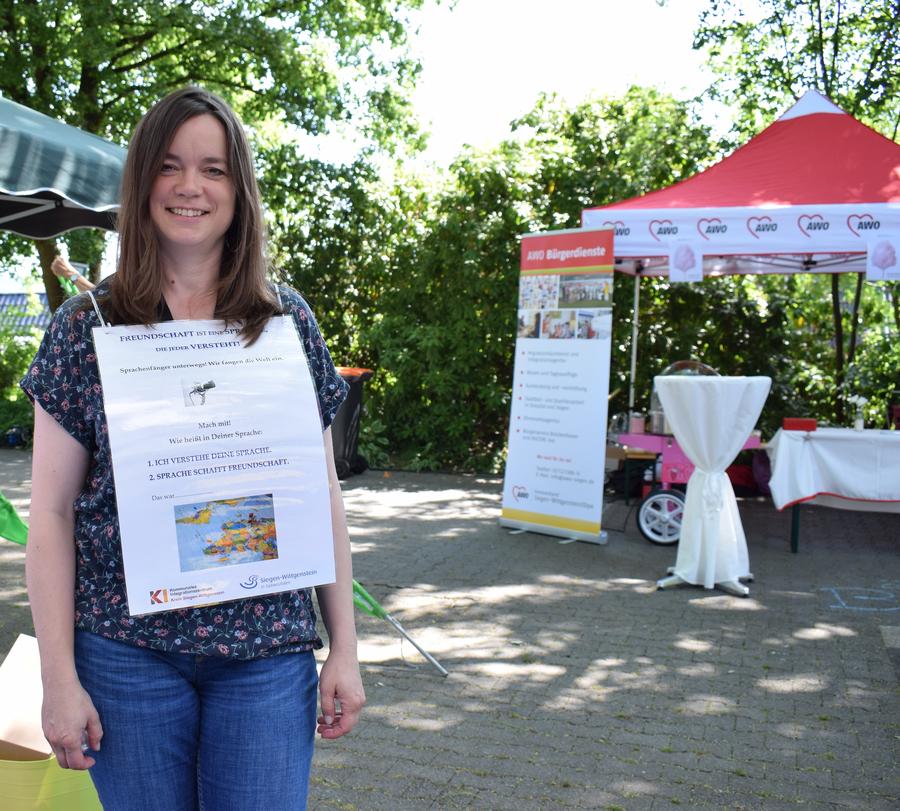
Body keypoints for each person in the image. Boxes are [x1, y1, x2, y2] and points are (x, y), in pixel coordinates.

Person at [21, 87, 365, 810]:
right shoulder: (86, 327)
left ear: (239, 190)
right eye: (170, 165)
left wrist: (346, 647)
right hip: (124, 654)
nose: (190, 186)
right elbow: (49, 512)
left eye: (213, 169)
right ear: (142, 180)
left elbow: (322, 493)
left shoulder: (284, 321)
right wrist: (58, 677)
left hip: (266, 651)